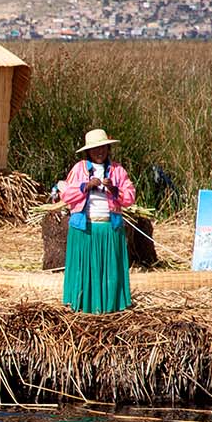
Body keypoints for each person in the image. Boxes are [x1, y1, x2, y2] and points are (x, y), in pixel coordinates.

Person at [60, 127, 136, 314]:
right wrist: (86, 186)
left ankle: (110, 305)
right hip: (85, 227)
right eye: (95, 149)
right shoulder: (79, 169)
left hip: (109, 227)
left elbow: (130, 197)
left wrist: (114, 190)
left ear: (108, 149)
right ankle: (82, 303)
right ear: (88, 151)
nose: (99, 152)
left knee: (109, 270)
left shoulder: (117, 170)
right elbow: (66, 195)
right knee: (84, 269)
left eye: (103, 148)